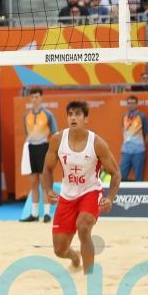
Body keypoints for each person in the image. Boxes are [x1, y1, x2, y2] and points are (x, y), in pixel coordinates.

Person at [42, 101, 120, 274]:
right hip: (67, 195)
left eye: (77, 114)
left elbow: (116, 174)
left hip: (90, 191)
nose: (73, 118)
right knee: (59, 250)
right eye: (70, 114)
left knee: (83, 228)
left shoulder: (97, 143)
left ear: (86, 119)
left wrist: (110, 198)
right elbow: (46, 169)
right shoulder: (57, 140)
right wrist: (48, 190)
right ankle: (75, 257)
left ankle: (89, 275)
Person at [19, 88, 57, 223]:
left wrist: (53, 152)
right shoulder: (26, 116)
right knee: (33, 182)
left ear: (41, 98)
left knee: (45, 183)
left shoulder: (48, 115)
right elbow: (27, 133)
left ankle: (46, 214)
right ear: (30, 99)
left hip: (43, 149)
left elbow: (55, 133)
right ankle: (34, 214)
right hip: (31, 149)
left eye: (37, 97)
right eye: (32, 97)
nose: (34, 100)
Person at [120, 95, 148, 181]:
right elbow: (123, 130)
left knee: (138, 177)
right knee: (121, 176)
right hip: (126, 151)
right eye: (129, 103)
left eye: (133, 103)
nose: (131, 105)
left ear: (136, 104)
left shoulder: (142, 116)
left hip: (138, 151)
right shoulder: (124, 116)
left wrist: (144, 148)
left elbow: (147, 133)